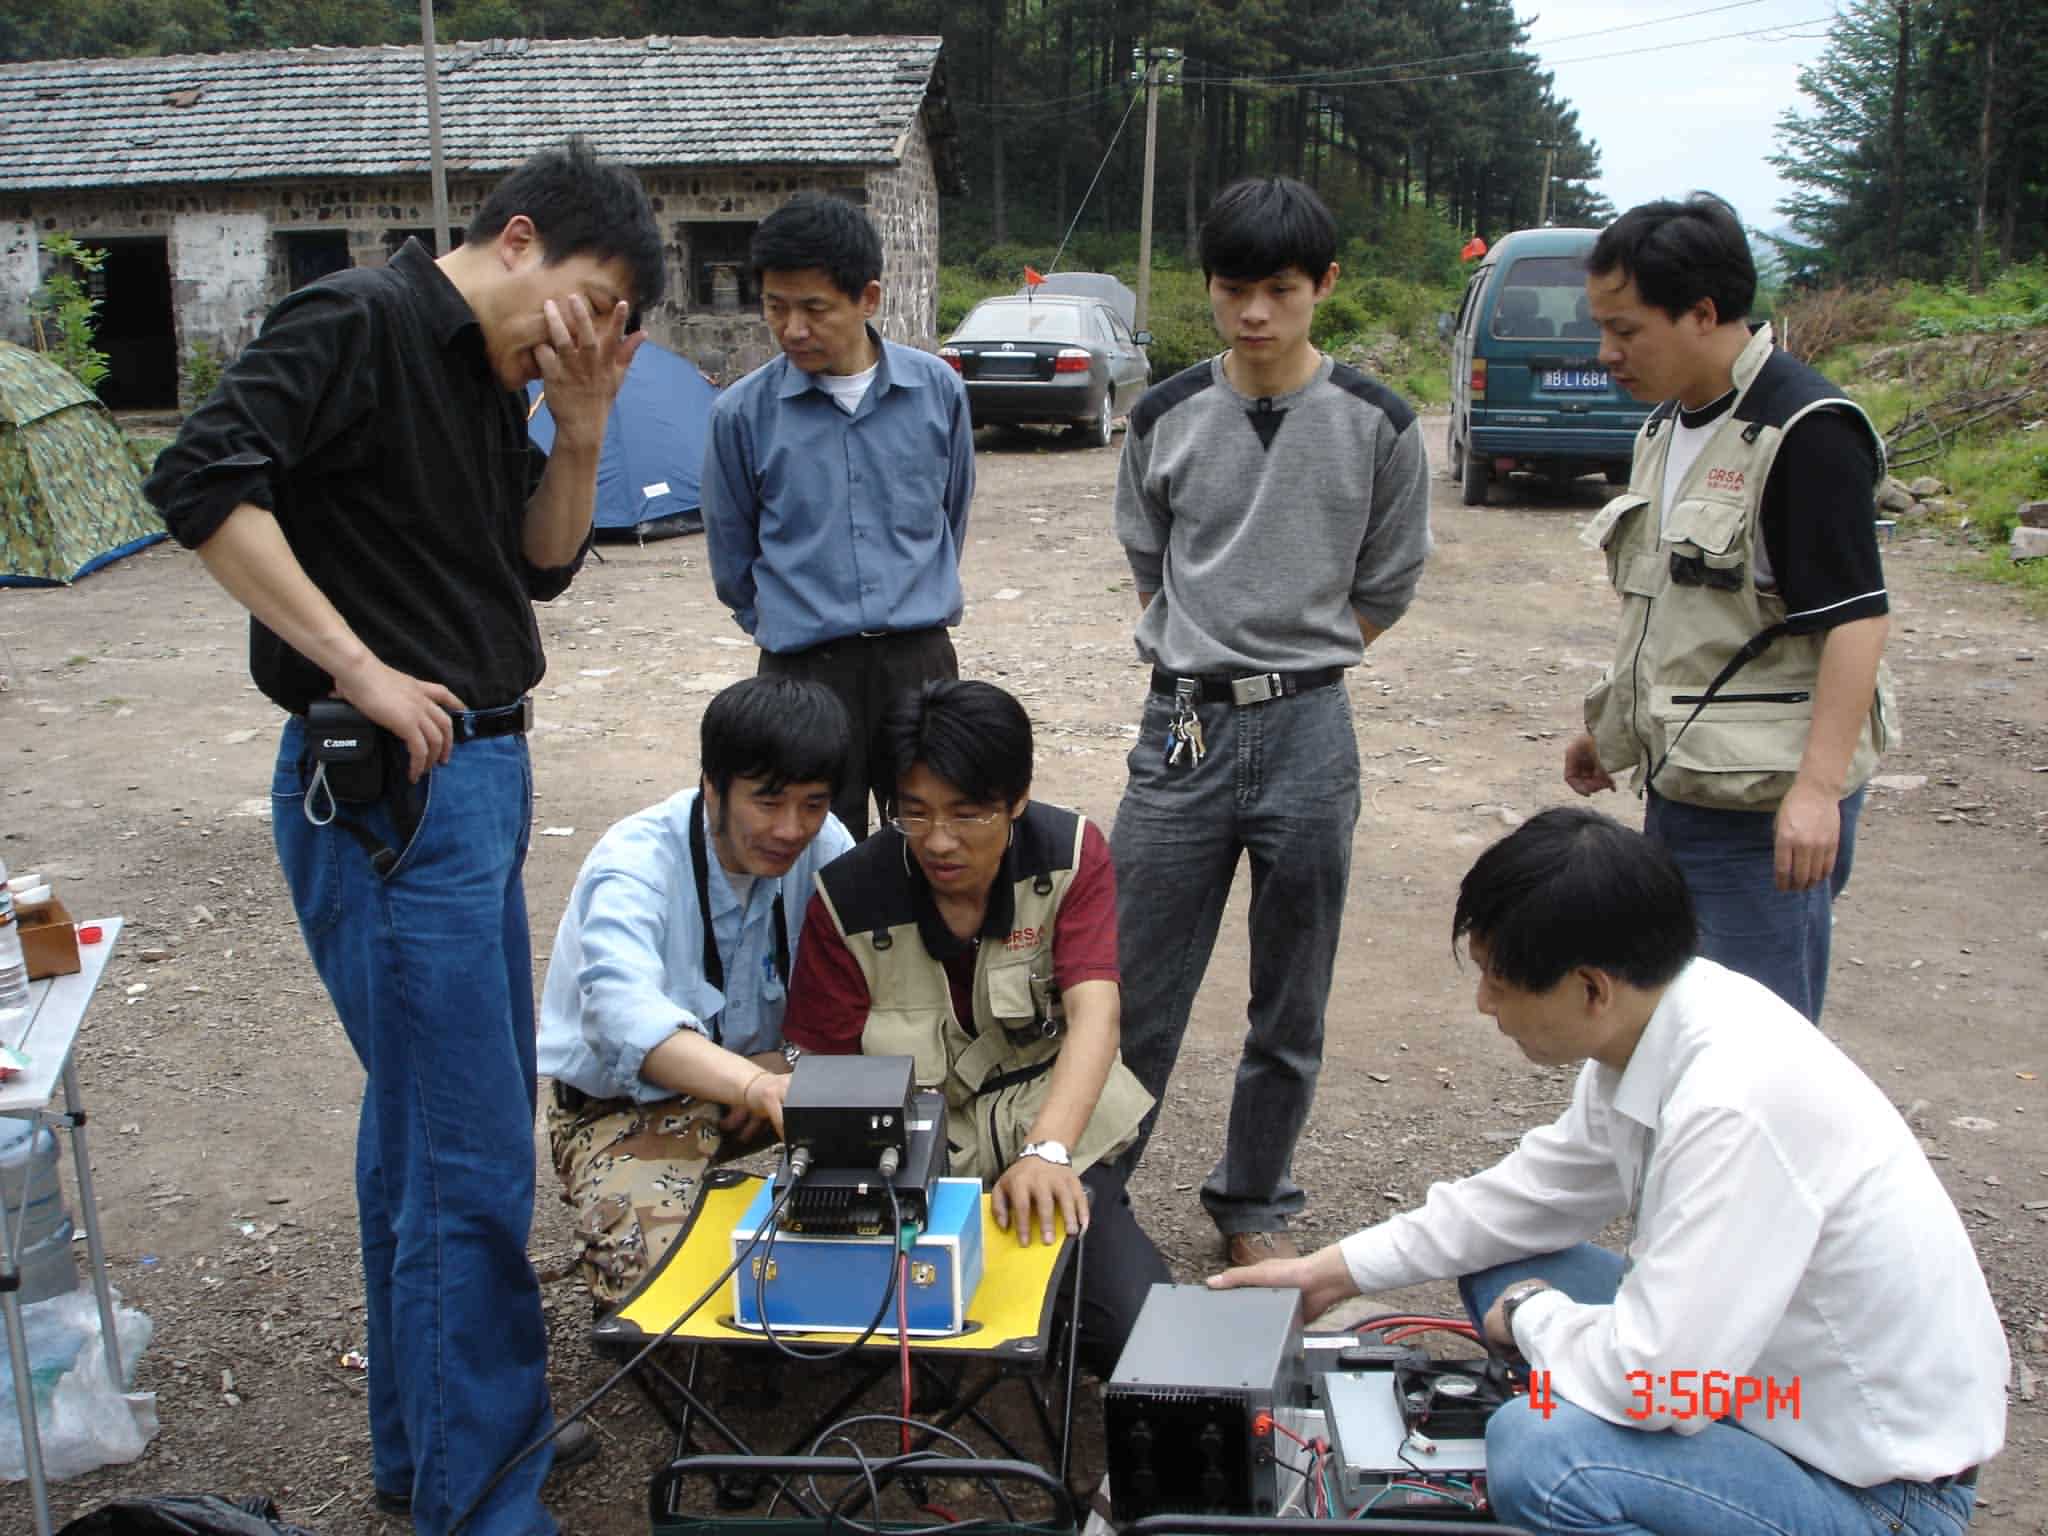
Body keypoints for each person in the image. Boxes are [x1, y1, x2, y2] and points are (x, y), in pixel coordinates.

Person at [143, 140, 663, 1536]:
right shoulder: (360, 319)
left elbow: (537, 564)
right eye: (589, 296)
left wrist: (589, 423)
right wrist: (353, 666)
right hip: (390, 794)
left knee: (426, 1135)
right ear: (518, 239)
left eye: (614, 324)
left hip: (479, 782)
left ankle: (426, 1457)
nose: (585, 332)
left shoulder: (496, 383)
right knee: (472, 1159)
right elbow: (201, 477)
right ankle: (482, 1510)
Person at [1214, 806, 2006, 1534]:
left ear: (1590, 987)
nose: (1486, 1004)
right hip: (1770, 1394)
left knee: (1541, 1451)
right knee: (1503, 1261)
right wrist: (1332, 1272)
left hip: (1876, 1491)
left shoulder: (1734, 1103)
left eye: (1499, 978)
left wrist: (1531, 1317)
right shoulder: (1659, 1029)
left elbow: (1655, 1379)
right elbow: (1526, 1199)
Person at [1109, 176, 1432, 1267]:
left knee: (1288, 995)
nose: (1254, 314)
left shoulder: (1379, 424)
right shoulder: (1160, 416)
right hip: (1180, 730)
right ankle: (1095, 1194)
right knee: (1133, 984)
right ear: (1206, 288)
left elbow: (1385, 584)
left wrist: (1292, 659)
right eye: (1232, 289)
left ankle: (1252, 1204)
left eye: (1279, 290)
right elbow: (1150, 564)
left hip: (1308, 732)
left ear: (1321, 287)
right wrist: (1209, 651)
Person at [773, 679, 1168, 1376]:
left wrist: (1048, 1152)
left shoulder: (1071, 855)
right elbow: (828, 1070)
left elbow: (1095, 1013)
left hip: (1044, 1132)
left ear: (1016, 800)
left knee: (1134, 1329)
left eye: (969, 814)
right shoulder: (846, 899)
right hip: (910, 1157)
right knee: (818, 1341)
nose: (940, 842)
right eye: (914, 815)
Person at [1566, 193, 1897, 1024]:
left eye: (1627, 330)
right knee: (1676, 1021)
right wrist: (1612, 726)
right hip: (1686, 782)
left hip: (1761, 802)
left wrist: (1817, 791)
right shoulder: (1670, 427)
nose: (1608, 353)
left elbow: (1855, 619)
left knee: (1751, 1040)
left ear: (1703, 313)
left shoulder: (1805, 430)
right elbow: (1674, 610)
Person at [539, 676, 853, 1307]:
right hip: (623, 1107)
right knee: (661, 1287)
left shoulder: (829, 846)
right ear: (713, 786)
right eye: (767, 803)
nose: (792, 829)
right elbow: (624, 1019)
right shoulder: (635, 865)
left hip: (769, 1089)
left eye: (812, 803)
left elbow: (874, 989)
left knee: (908, 1173)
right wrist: (753, 1082)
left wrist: (790, 1062)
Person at [701, 193, 976, 841]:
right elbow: (732, 564)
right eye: (775, 306)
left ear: (868, 298)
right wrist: (793, 625)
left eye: (815, 308)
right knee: (815, 849)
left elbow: (949, 519)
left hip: (920, 661)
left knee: (933, 835)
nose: (793, 328)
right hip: (803, 670)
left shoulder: (938, 393)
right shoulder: (742, 415)